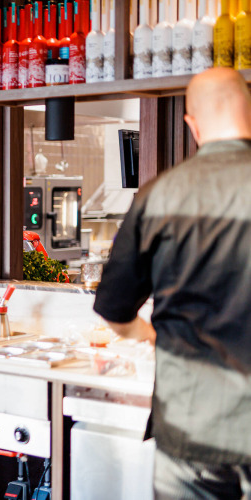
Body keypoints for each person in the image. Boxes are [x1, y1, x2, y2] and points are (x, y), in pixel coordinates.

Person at [93, 67, 251, 499]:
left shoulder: (158, 194)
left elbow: (113, 310)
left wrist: (149, 333)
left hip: (190, 422)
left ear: (192, 123)